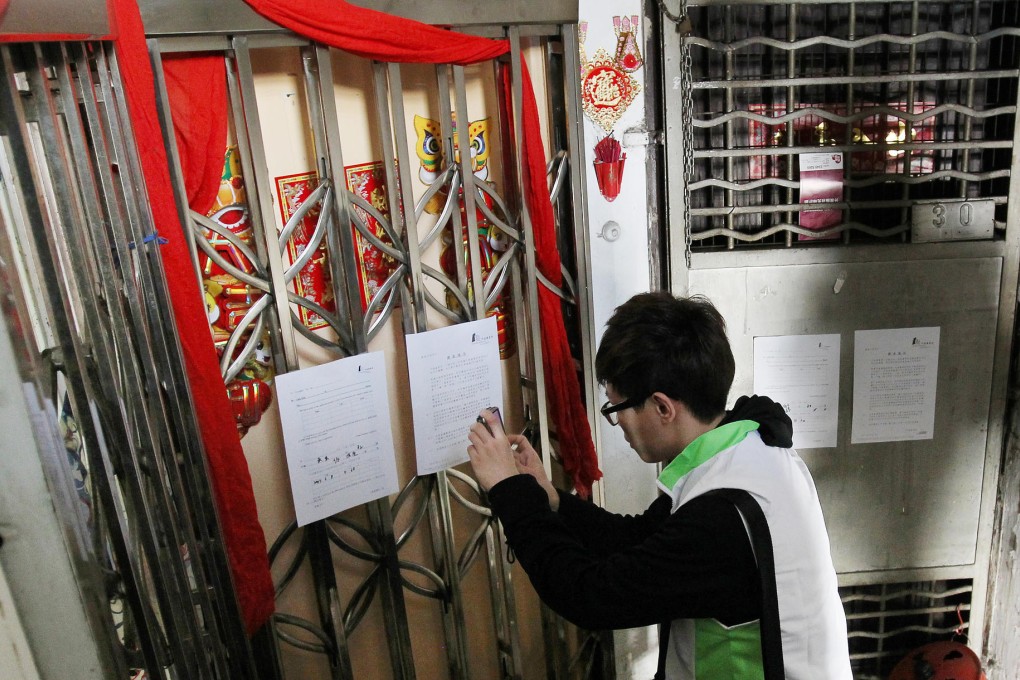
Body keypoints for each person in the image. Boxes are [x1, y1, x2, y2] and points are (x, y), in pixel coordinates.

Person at [467, 291, 852, 679]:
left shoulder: (720, 518)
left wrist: (508, 492)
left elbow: (588, 596)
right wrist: (550, 500)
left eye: (615, 410)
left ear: (663, 407)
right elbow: (639, 538)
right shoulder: (749, 448)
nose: (618, 427)